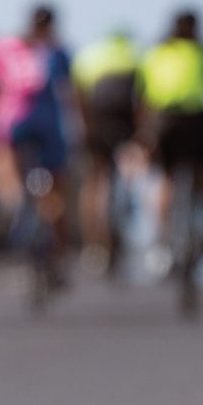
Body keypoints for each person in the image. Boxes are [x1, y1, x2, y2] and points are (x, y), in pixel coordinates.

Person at [0, 5, 73, 279]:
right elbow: (67, 89)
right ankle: (57, 257)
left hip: (11, 118)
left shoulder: (5, 47)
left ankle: (10, 200)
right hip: (47, 120)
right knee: (56, 186)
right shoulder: (56, 52)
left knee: (2, 157)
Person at [136, 10, 203, 249]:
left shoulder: (156, 53)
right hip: (195, 118)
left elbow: (143, 98)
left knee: (167, 178)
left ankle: (163, 238)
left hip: (165, 119)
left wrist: (144, 132)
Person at [72, 30, 140, 274]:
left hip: (96, 124)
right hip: (123, 124)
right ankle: (130, 198)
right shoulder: (135, 56)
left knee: (94, 183)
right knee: (129, 167)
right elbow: (143, 99)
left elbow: (77, 95)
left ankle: (93, 246)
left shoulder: (89, 56)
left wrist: (84, 128)